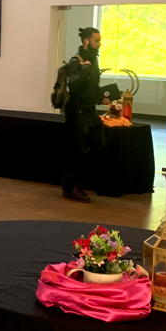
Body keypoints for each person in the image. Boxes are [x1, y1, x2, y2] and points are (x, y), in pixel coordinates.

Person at [62, 27, 104, 203]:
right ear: (86, 41)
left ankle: (77, 181)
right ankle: (69, 186)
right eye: (96, 40)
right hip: (78, 110)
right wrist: (85, 69)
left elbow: (91, 87)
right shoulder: (76, 61)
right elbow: (74, 85)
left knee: (99, 143)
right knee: (77, 149)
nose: (99, 44)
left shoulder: (93, 60)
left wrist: (102, 97)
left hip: (89, 109)